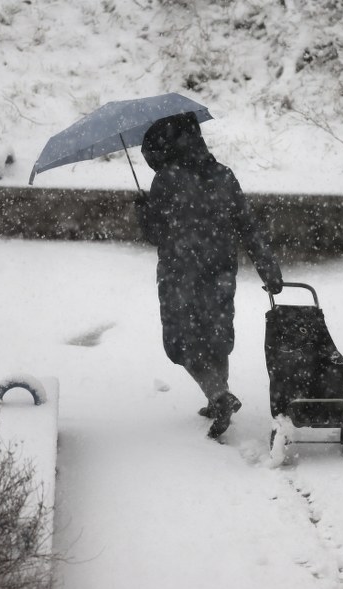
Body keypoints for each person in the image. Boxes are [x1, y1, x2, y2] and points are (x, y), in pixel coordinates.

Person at [135, 112, 283, 438]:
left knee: (182, 341)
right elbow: (247, 225)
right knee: (215, 337)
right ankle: (217, 395)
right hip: (220, 271)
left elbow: (156, 233)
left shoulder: (166, 179)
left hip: (179, 273)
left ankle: (218, 395)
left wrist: (142, 211)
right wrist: (268, 267)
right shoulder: (223, 175)